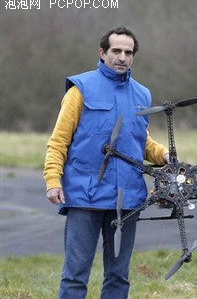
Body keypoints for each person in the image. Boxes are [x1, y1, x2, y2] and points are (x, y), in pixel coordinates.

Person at [44, 26, 169, 299]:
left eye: (128, 52)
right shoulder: (81, 89)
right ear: (102, 53)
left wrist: (165, 155)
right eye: (116, 51)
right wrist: (53, 180)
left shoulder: (142, 95)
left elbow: (141, 141)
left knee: (118, 276)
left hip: (127, 200)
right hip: (84, 197)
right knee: (76, 275)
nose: (122, 57)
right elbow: (59, 140)